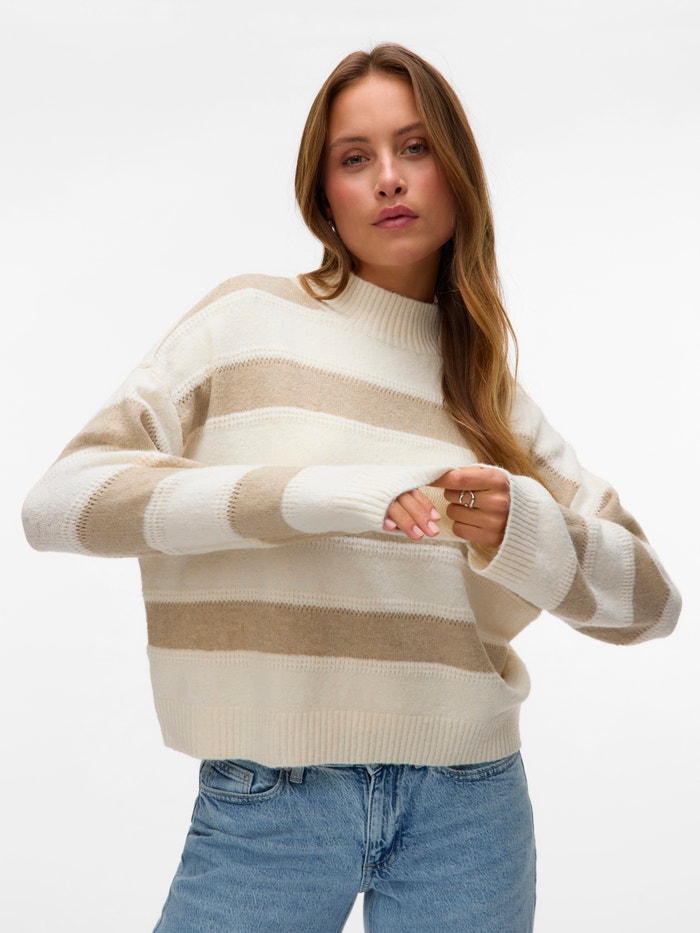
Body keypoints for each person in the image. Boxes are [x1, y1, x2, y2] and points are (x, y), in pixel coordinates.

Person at [22, 43, 681, 933]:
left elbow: (652, 605)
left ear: (456, 172)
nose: (389, 178)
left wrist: (520, 526)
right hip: (269, 803)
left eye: (414, 147)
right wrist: (315, 495)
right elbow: (61, 503)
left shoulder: (489, 398)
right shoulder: (245, 324)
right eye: (355, 157)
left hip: (469, 808)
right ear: (323, 194)